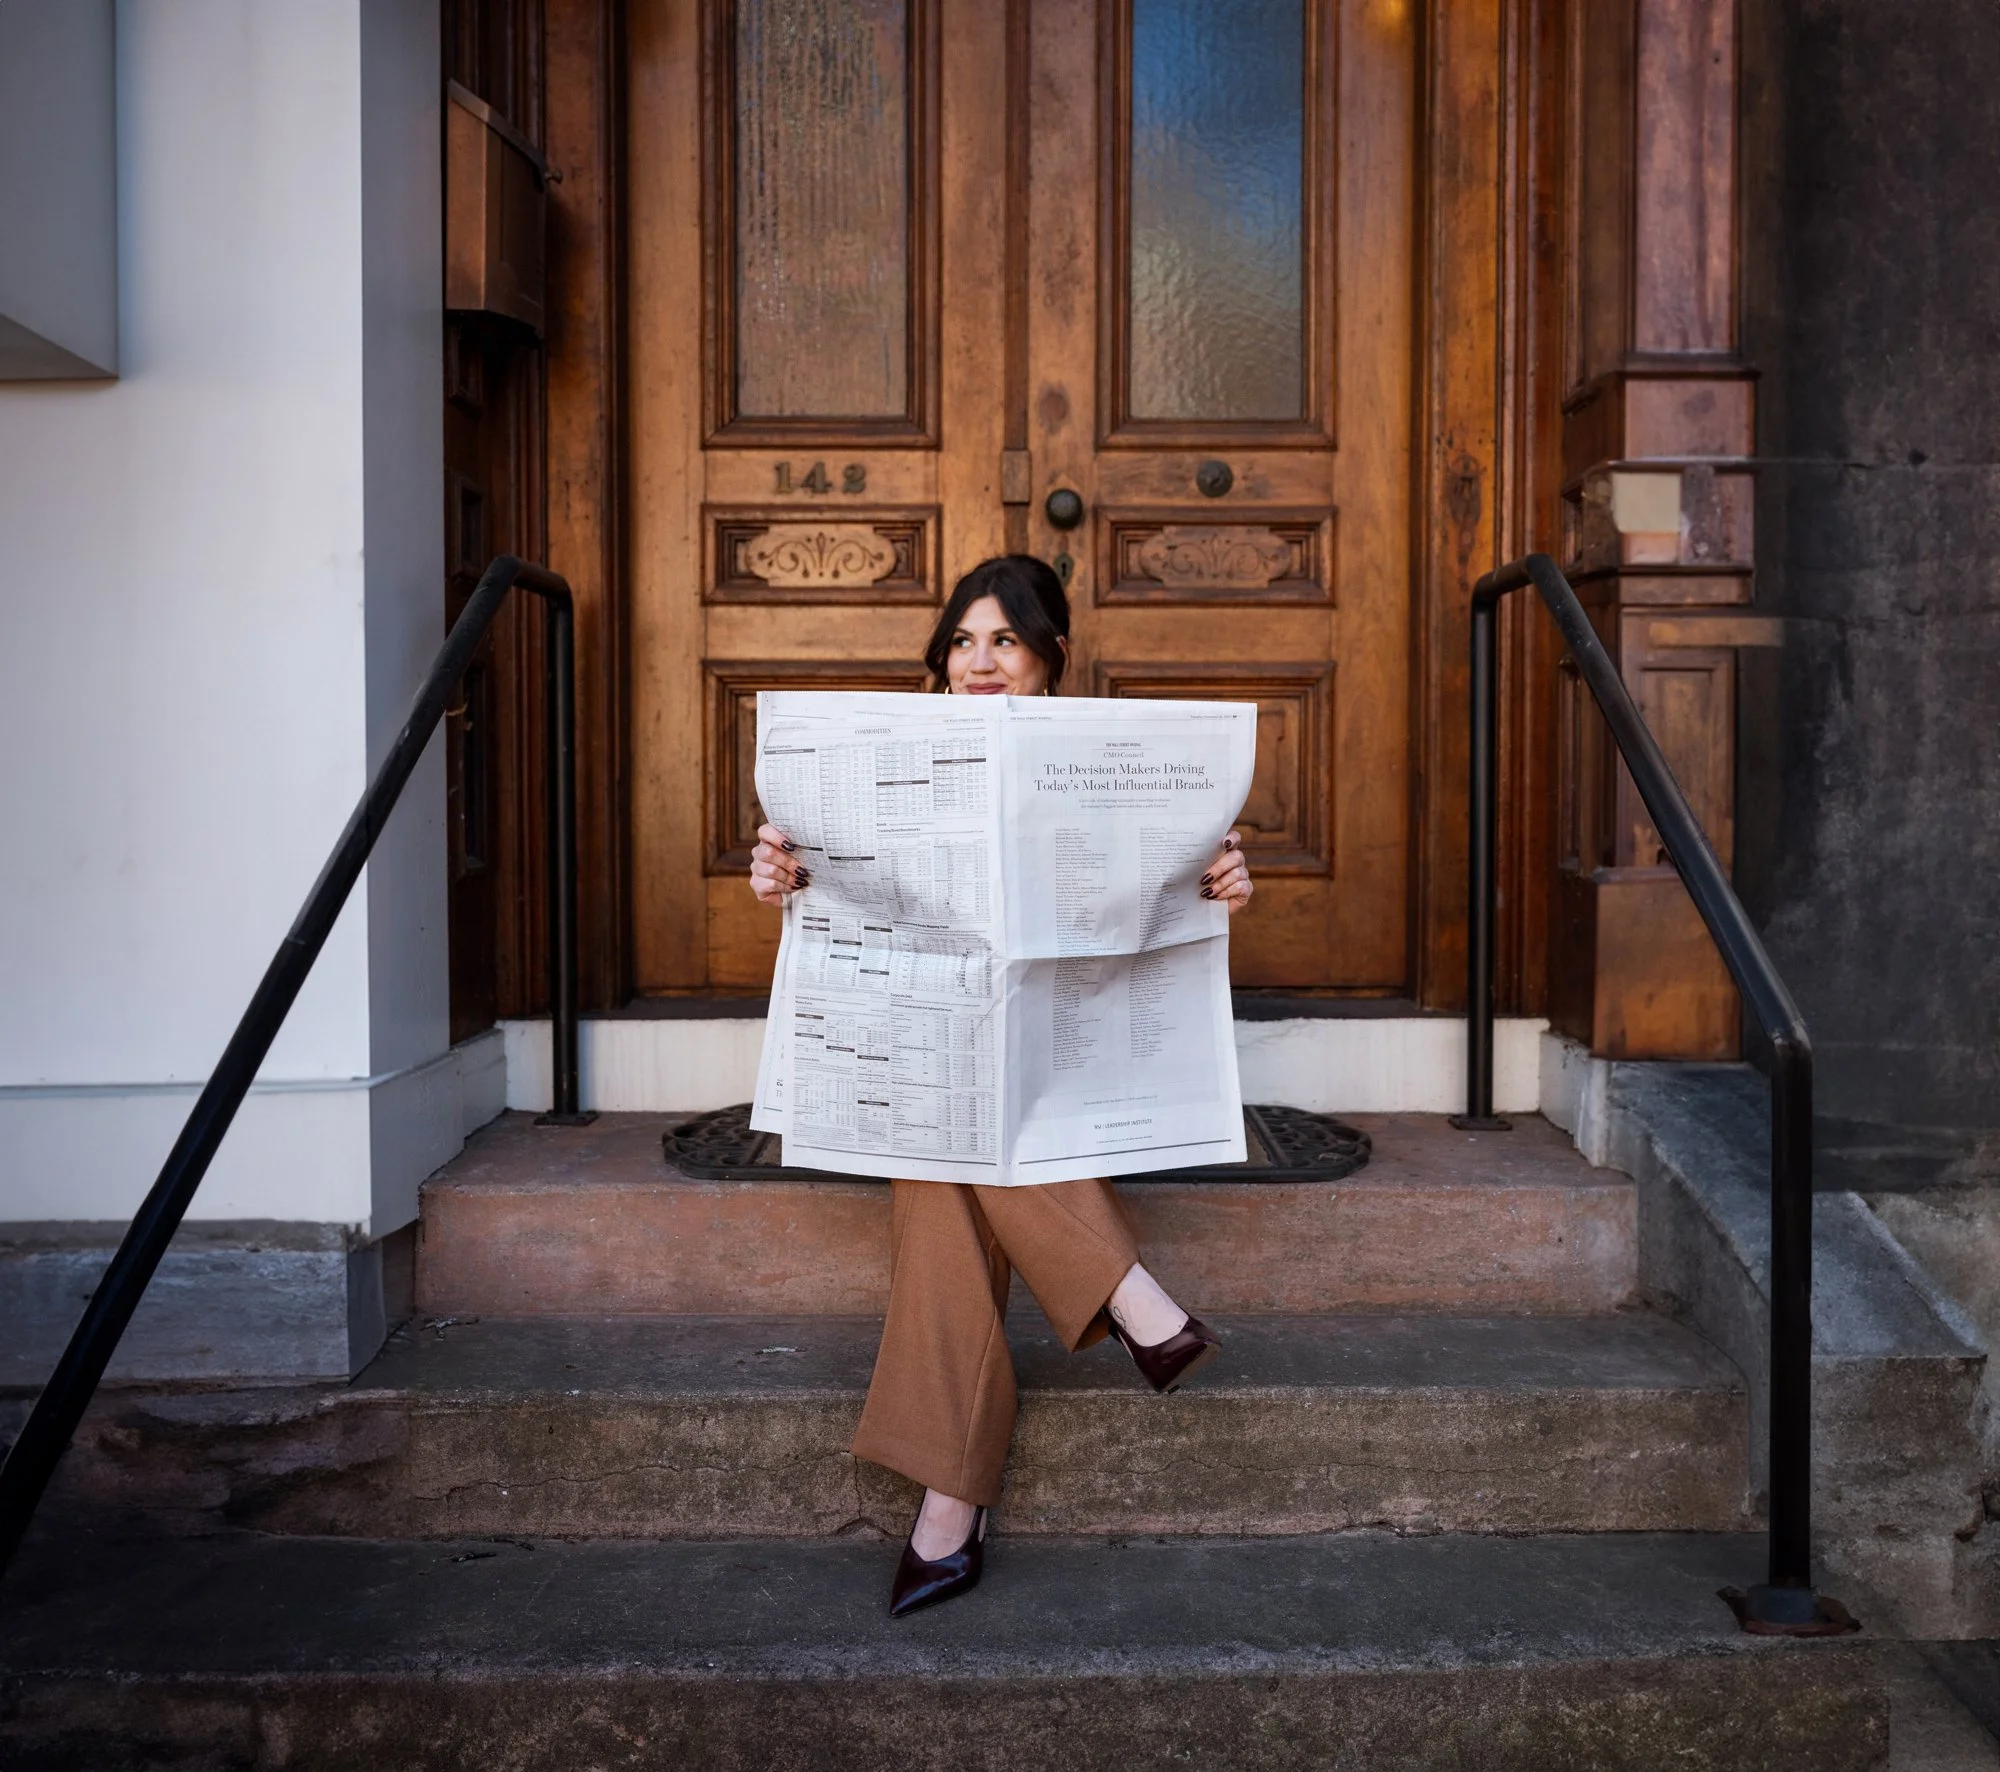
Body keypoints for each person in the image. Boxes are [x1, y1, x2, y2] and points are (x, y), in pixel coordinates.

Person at [748, 554, 1254, 1618]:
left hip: (1057, 1071)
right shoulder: (874, 753)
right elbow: (813, 875)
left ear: (1045, 660)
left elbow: (1174, 882)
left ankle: (950, 1500)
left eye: (1006, 641)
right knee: (945, 1132)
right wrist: (779, 872)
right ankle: (1126, 1296)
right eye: (963, 641)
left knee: (948, 1142)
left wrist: (1220, 877)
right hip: (916, 1055)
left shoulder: (1097, 763)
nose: (980, 661)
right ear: (938, 661)